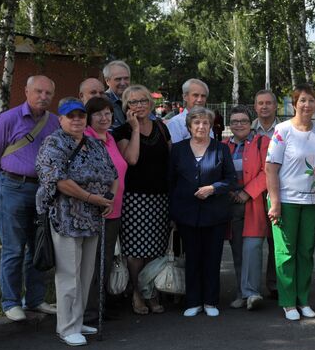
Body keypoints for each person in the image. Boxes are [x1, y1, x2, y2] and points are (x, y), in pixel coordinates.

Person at [35, 99, 117, 346]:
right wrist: (93, 197)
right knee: (69, 273)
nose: (77, 120)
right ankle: (66, 326)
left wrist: (109, 200)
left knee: (85, 273)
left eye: (81, 116)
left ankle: (77, 319)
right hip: (65, 217)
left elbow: (113, 173)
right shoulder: (53, 143)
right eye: (71, 116)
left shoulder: (94, 143)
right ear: (60, 119)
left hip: (92, 218)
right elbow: (59, 181)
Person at [0, 75, 60, 322]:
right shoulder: (8, 119)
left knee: (37, 246)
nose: (43, 97)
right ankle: (11, 301)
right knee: (14, 248)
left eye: (48, 93)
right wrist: (0, 180)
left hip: (42, 191)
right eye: (38, 91)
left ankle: (35, 300)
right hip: (13, 187)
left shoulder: (55, 123)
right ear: (26, 91)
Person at [265, 84, 315, 321]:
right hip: (287, 200)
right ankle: (288, 302)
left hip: (313, 200)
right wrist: (275, 202)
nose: (307, 105)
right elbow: (270, 168)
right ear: (294, 104)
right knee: (286, 252)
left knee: (306, 251)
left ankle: (303, 299)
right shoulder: (282, 130)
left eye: (311, 100)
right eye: (302, 100)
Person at [169, 107, 236, 317]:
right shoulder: (178, 149)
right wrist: (172, 215)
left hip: (214, 213)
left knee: (212, 257)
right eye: (196, 123)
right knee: (192, 257)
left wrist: (213, 188)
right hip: (186, 213)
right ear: (189, 127)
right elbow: (170, 182)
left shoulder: (221, 149)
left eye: (205, 123)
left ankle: (210, 301)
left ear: (210, 126)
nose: (201, 126)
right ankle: (193, 301)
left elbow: (231, 179)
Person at [112, 85, 171, 315]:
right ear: (126, 107)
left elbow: (170, 160)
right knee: (136, 252)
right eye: (133, 102)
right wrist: (135, 129)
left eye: (143, 101)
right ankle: (137, 292)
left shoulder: (161, 127)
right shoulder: (122, 131)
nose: (139, 105)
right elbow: (132, 159)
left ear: (150, 102)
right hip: (135, 199)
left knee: (156, 250)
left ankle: (151, 291)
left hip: (161, 198)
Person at [83, 97, 129, 323]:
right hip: (95, 209)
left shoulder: (110, 137)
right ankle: (89, 311)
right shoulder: (86, 139)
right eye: (99, 114)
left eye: (108, 113)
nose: (104, 118)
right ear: (89, 118)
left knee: (105, 261)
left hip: (115, 208)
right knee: (91, 262)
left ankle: (99, 305)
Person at [223, 107, 270, 311]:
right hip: (231, 204)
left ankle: (252, 292)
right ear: (229, 124)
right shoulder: (224, 145)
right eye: (234, 121)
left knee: (252, 248)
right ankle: (242, 294)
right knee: (238, 250)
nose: (239, 124)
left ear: (251, 122)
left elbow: (267, 171)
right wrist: (230, 191)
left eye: (243, 120)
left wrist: (247, 192)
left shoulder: (262, 142)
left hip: (253, 202)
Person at [251, 89, 281, 299]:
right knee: (252, 242)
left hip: (278, 191)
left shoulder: (284, 129)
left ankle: (275, 284)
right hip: (252, 193)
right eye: (260, 103)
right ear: (255, 107)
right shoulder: (248, 129)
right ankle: (249, 288)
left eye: (268, 103)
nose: (264, 107)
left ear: (275, 106)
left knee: (275, 241)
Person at [167, 79, 210, 143]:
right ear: (185, 97)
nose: (200, 99)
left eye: (203, 96)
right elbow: (177, 151)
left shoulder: (208, 122)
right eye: (195, 95)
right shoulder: (176, 123)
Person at [103, 60, 131, 128]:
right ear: (107, 81)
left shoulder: (137, 100)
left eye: (126, 78)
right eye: (118, 79)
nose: (123, 83)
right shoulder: (102, 103)